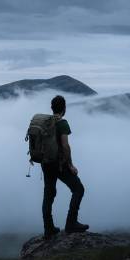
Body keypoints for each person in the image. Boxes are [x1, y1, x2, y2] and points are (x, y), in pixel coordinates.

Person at [41, 95, 89, 239]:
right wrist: (70, 165)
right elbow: (65, 146)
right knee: (78, 189)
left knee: (48, 195)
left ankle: (48, 229)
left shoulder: (45, 122)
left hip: (46, 163)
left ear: (51, 107)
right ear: (64, 108)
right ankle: (71, 223)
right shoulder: (62, 123)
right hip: (59, 164)